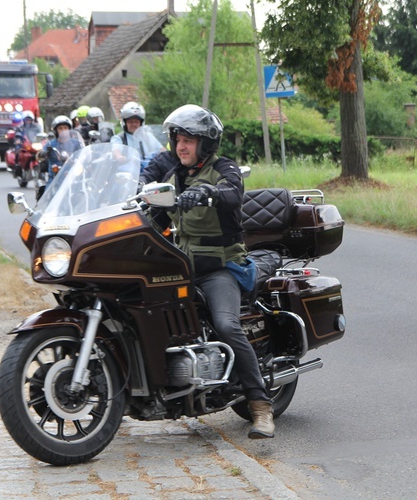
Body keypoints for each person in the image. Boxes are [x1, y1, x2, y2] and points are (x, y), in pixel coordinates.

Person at [160, 104, 274, 439]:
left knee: (226, 323)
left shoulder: (224, 169)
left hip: (220, 267)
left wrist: (209, 193)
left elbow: (232, 193)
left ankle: (260, 406)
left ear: (205, 144)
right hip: (182, 268)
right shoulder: (173, 178)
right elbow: (153, 219)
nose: (182, 145)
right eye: (178, 138)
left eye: (190, 140)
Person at [14, 110, 43, 179]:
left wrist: (42, 139)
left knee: (43, 153)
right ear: (24, 120)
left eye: (29, 120)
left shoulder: (36, 127)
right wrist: (18, 139)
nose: (28, 121)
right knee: (17, 152)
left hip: (34, 143)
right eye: (27, 120)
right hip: (24, 144)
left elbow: (40, 134)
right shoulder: (20, 127)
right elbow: (17, 134)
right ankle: (17, 169)